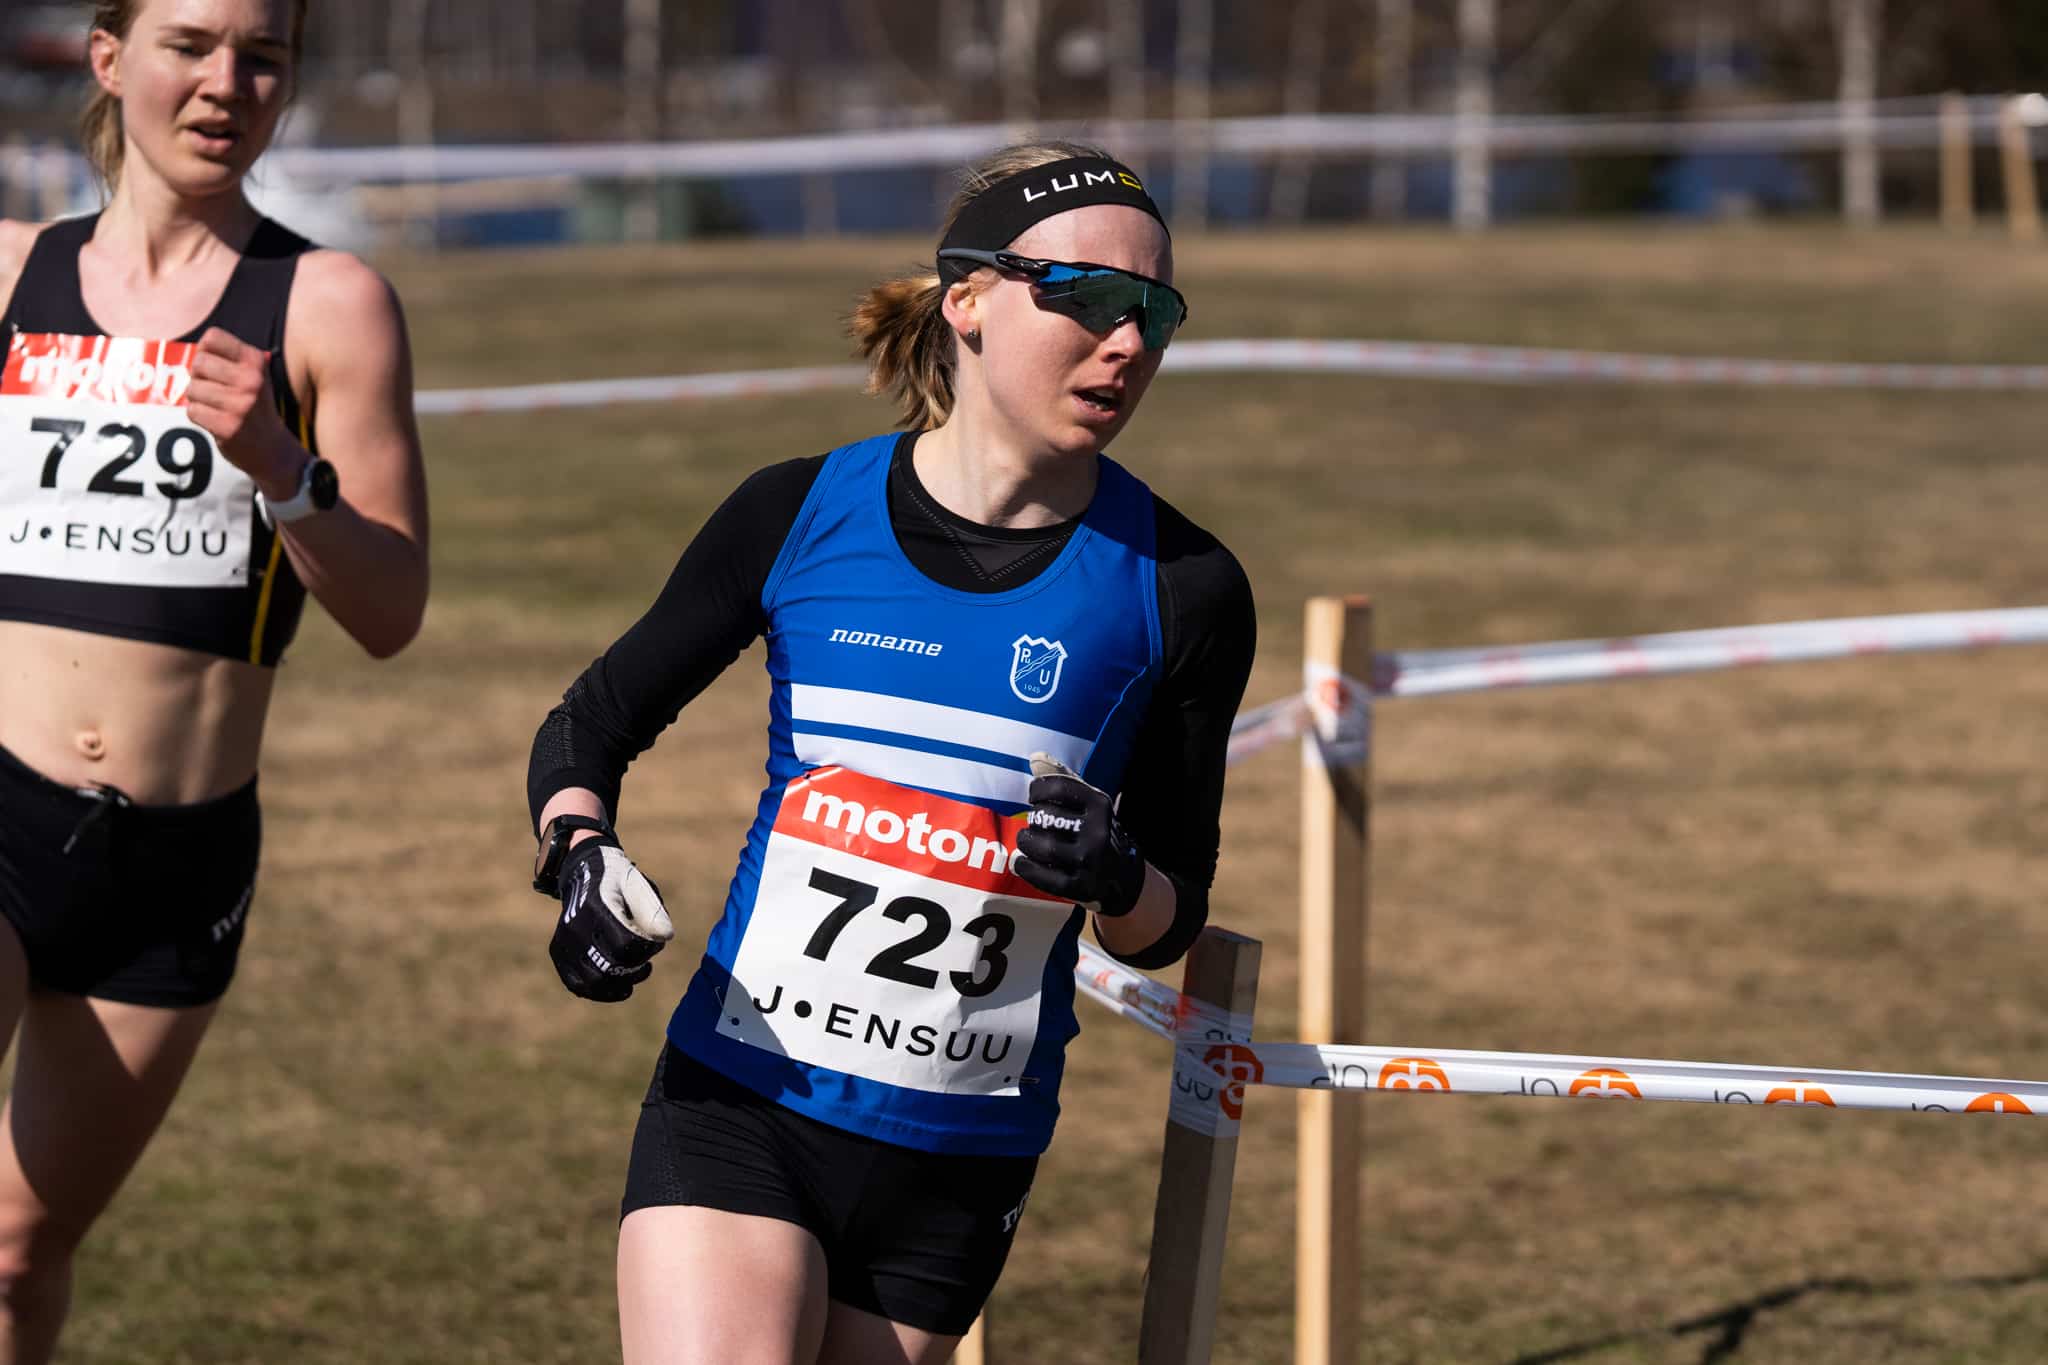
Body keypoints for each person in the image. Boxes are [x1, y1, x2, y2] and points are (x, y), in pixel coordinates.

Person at [526, 139, 1253, 1365]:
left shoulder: (1183, 587)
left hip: (961, 1156)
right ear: (967, 299)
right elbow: (588, 725)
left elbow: (1165, 921)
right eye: (1085, 299)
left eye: (1154, 311)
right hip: (745, 1096)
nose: (1126, 343)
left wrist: (1117, 875)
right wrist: (578, 855)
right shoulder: (798, 512)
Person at [0, 0, 427, 1357]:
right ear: (110, 57)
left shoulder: (330, 302)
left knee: (17, 1257)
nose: (225, 84)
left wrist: (285, 472)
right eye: (188, 45)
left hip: (175, 864)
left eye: (262, 56)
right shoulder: (9, 274)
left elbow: (390, 611)